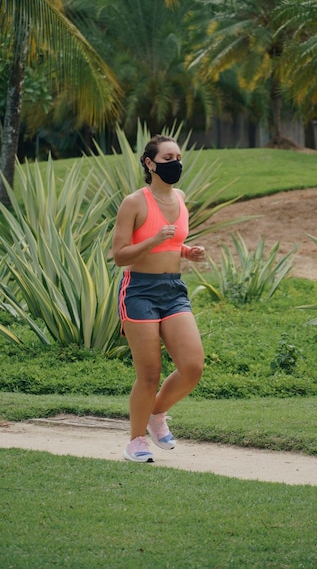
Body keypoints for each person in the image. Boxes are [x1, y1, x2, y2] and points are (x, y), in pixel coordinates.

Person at [112, 134, 206, 463]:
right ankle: (136, 440)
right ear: (150, 164)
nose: (175, 163)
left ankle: (156, 415)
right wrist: (154, 240)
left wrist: (187, 251)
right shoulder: (134, 202)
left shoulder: (180, 197)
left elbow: (172, 243)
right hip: (138, 290)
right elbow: (120, 255)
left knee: (193, 366)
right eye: (168, 158)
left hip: (173, 289)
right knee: (149, 374)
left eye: (178, 156)